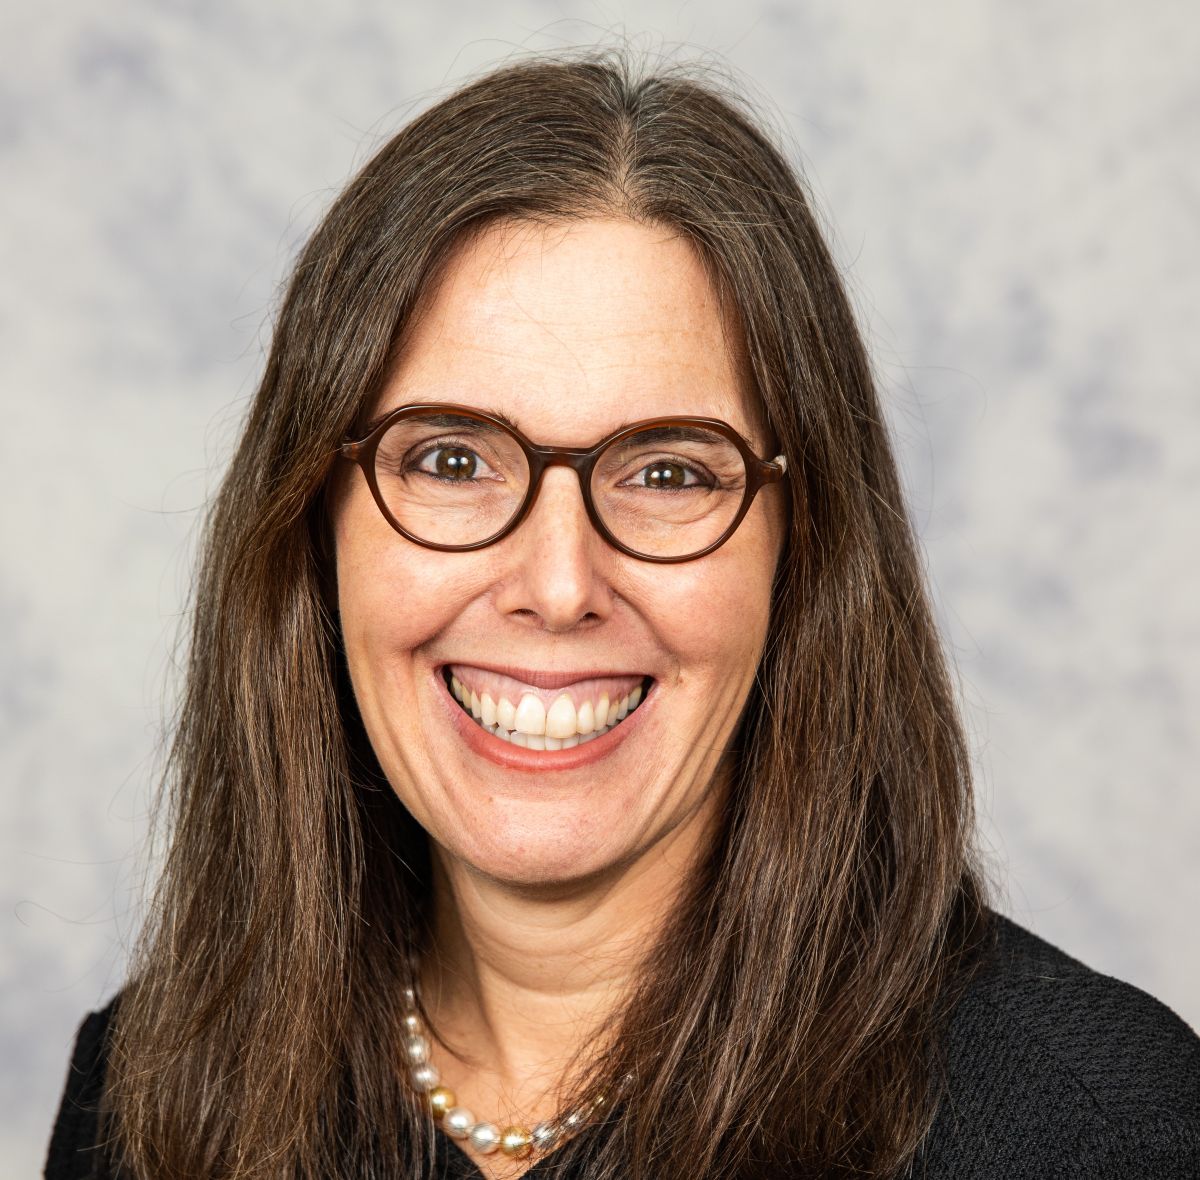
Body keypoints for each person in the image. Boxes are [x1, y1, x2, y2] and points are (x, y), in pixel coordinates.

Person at [45, 52, 1199, 1180]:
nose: (557, 584)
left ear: (805, 547)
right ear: (313, 524)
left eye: (668, 472)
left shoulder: (1092, 1129)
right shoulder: (148, 1093)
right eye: (452, 458)